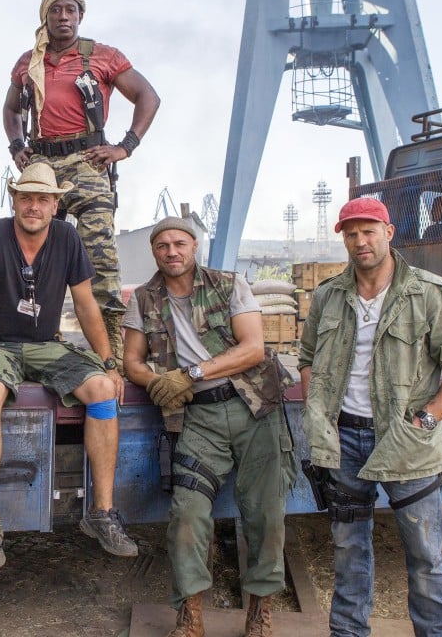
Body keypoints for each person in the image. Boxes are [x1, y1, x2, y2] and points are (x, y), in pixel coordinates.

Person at [298, 198, 442, 637]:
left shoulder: (430, 293)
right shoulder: (329, 295)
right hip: (343, 441)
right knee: (348, 552)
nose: (360, 241)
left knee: (425, 555)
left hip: (408, 444)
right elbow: (307, 357)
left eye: (368, 231)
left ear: (388, 232)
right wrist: (317, 413)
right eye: (351, 234)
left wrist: (424, 422)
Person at [122, 216, 295, 637]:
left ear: (194, 245)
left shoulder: (228, 284)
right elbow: (132, 361)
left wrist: (191, 373)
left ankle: (260, 610)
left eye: (179, 243)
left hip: (253, 408)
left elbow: (253, 349)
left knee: (266, 513)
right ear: (154, 251)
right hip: (197, 418)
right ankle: (191, 613)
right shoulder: (143, 299)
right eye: (162, 245)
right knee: (187, 513)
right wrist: (157, 382)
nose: (172, 252)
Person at [0, 162, 136, 572]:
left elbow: (86, 305)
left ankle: (102, 512)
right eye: (26, 198)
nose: (33, 206)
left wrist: (109, 363)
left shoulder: (67, 237)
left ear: (56, 205)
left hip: (45, 345)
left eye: (43, 199)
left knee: (103, 390)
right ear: (14, 200)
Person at [2, 0, 160, 368]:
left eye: (70, 10)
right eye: (56, 10)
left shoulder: (102, 56)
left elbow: (148, 96)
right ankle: (38, 340)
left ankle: (112, 353)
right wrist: (17, 145)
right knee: (35, 254)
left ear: (80, 16)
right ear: (45, 17)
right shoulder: (29, 62)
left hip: (88, 161)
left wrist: (125, 146)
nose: (63, 17)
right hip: (42, 164)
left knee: (100, 256)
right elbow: (10, 109)